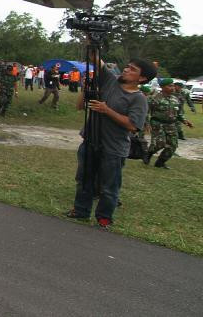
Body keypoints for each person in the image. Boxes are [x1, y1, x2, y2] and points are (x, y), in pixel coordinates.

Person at [67, 57, 156, 228]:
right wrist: (91, 37)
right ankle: (80, 211)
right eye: (127, 66)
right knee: (84, 179)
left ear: (142, 78)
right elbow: (96, 60)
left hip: (113, 148)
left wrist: (107, 110)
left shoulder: (139, 99)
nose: (126, 70)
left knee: (109, 187)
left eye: (132, 69)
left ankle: (104, 217)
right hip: (91, 141)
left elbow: (133, 125)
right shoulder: (111, 81)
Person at [144, 78, 191, 169]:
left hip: (171, 124)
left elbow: (178, 113)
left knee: (173, 145)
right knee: (160, 144)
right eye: (170, 86)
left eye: (173, 85)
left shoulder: (175, 99)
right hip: (158, 123)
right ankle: (148, 154)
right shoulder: (154, 98)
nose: (172, 87)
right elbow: (146, 111)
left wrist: (184, 121)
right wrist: (147, 123)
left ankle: (160, 162)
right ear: (162, 87)